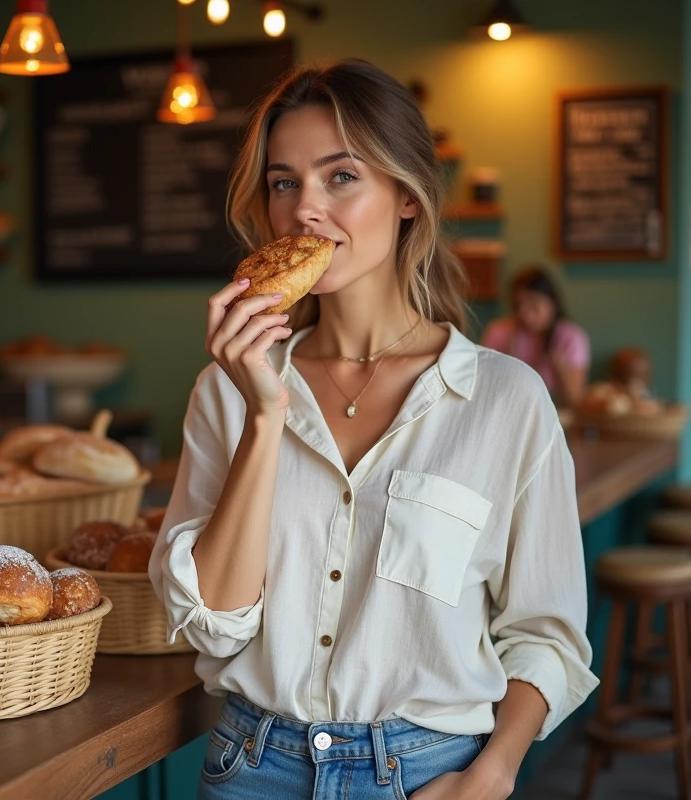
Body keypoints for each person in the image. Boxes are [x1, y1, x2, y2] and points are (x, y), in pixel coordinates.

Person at [149, 60, 597, 800]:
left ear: (408, 198)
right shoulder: (226, 392)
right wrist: (265, 415)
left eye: (341, 177)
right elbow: (215, 626)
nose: (305, 211)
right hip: (251, 766)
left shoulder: (504, 399)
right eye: (285, 182)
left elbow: (546, 634)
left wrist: (492, 774)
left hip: (429, 772)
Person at [480, 267, 591, 408]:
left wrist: (558, 364)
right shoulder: (499, 331)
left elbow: (575, 399)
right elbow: (484, 385)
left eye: (534, 305)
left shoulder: (571, 337)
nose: (524, 313)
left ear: (553, 302)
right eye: (518, 305)